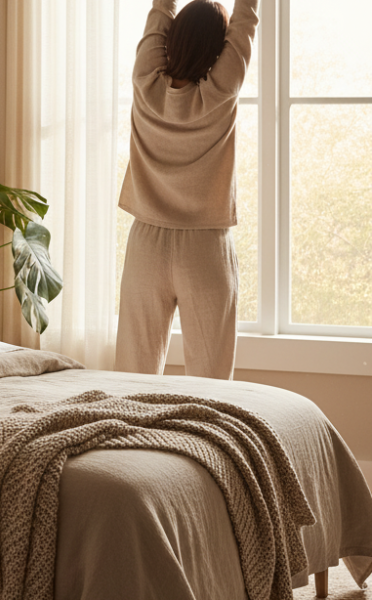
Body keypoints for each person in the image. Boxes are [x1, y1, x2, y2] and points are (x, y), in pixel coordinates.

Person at [116, 0, 258, 379]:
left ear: (172, 38)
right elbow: (246, 21)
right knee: (211, 383)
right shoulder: (222, 88)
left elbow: (159, 11)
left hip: (147, 241)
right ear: (218, 49)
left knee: (133, 376)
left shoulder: (145, 79)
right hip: (206, 247)